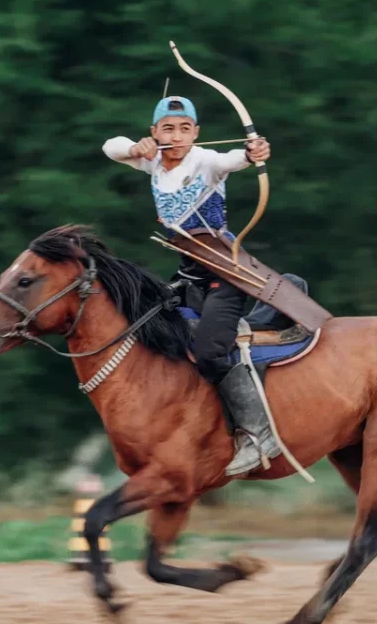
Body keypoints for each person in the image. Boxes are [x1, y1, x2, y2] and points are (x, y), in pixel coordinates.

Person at [101, 94, 307, 475]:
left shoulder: (206, 161)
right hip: (189, 272)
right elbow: (109, 147)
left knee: (211, 351)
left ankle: (259, 434)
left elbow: (233, 158)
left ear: (196, 133)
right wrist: (134, 147)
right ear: (154, 133)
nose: (176, 137)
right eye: (167, 129)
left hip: (224, 271)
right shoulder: (151, 160)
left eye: (184, 129)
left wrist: (252, 153)